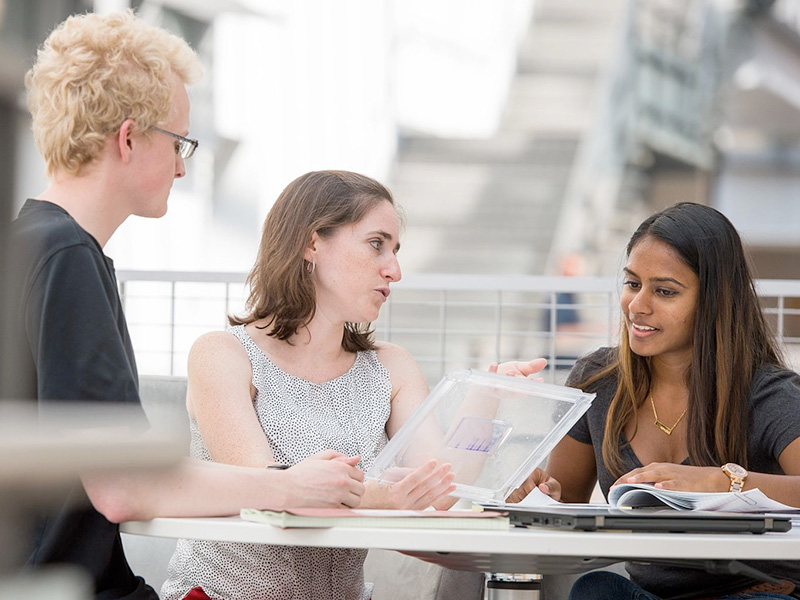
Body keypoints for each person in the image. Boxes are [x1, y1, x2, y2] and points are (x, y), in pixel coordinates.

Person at [3, 12, 365, 600]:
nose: (181, 164)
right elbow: (122, 486)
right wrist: (289, 487)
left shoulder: (29, 243)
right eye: (179, 141)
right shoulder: (67, 254)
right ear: (128, 137)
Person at [160, 170, 547, 600]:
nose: (395, 270)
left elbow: (441, 491)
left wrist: (485, 396)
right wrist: (386, 497)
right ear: (312, 243)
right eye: (376, 244)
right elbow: (266, 489)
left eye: (396, 250)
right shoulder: (223, 354)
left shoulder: (391, 367)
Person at [511, 202, 800, 600]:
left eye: (664, 291)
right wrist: (534, 493)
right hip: (652, 597)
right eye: (632, 284)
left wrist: (722, 482)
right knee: (596, 589)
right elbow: (566, 502)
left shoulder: (767, 393)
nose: (638, 305)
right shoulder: (598, 381)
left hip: (757, 592)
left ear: (715, 300)